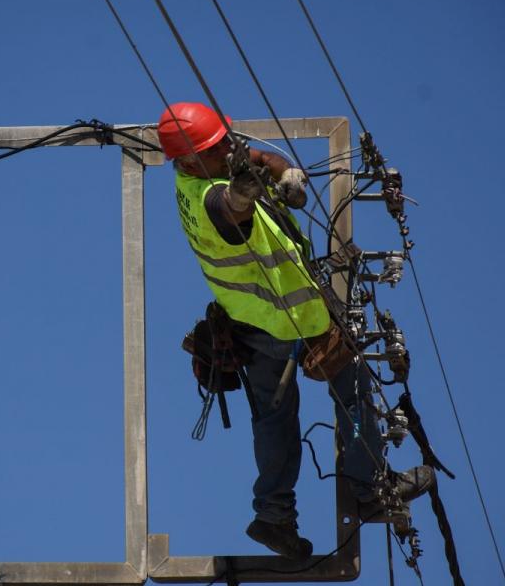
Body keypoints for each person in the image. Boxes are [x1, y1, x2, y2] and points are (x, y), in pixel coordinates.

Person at [157, 102, 435, 561]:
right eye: (214, 147)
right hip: (293, 321)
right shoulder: (208, 197)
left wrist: (281, 171)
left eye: (225, 139)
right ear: (188, 161)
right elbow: (230, 211)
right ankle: (369, 491)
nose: (227, 149)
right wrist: (245, 194)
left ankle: (273, 517)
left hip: (251, 323)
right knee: (353, 386)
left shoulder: (202, 168)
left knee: (273, 419)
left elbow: (256, 161)